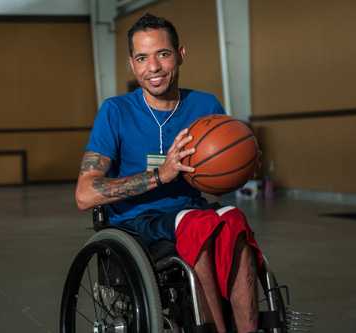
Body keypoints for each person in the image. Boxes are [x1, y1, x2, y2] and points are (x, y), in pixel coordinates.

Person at [76, 13, 262, 333]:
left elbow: (217, 185)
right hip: (137, 222)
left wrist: (240, 167)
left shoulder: (205, 105)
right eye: (142, 58)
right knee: (198, 228)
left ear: (180, 54)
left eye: (163, 54)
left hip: (192, 211)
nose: (154, 67)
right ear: (132, 65)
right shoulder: (115, 111)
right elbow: (85, 194)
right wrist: (160, 174)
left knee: (235, 223)